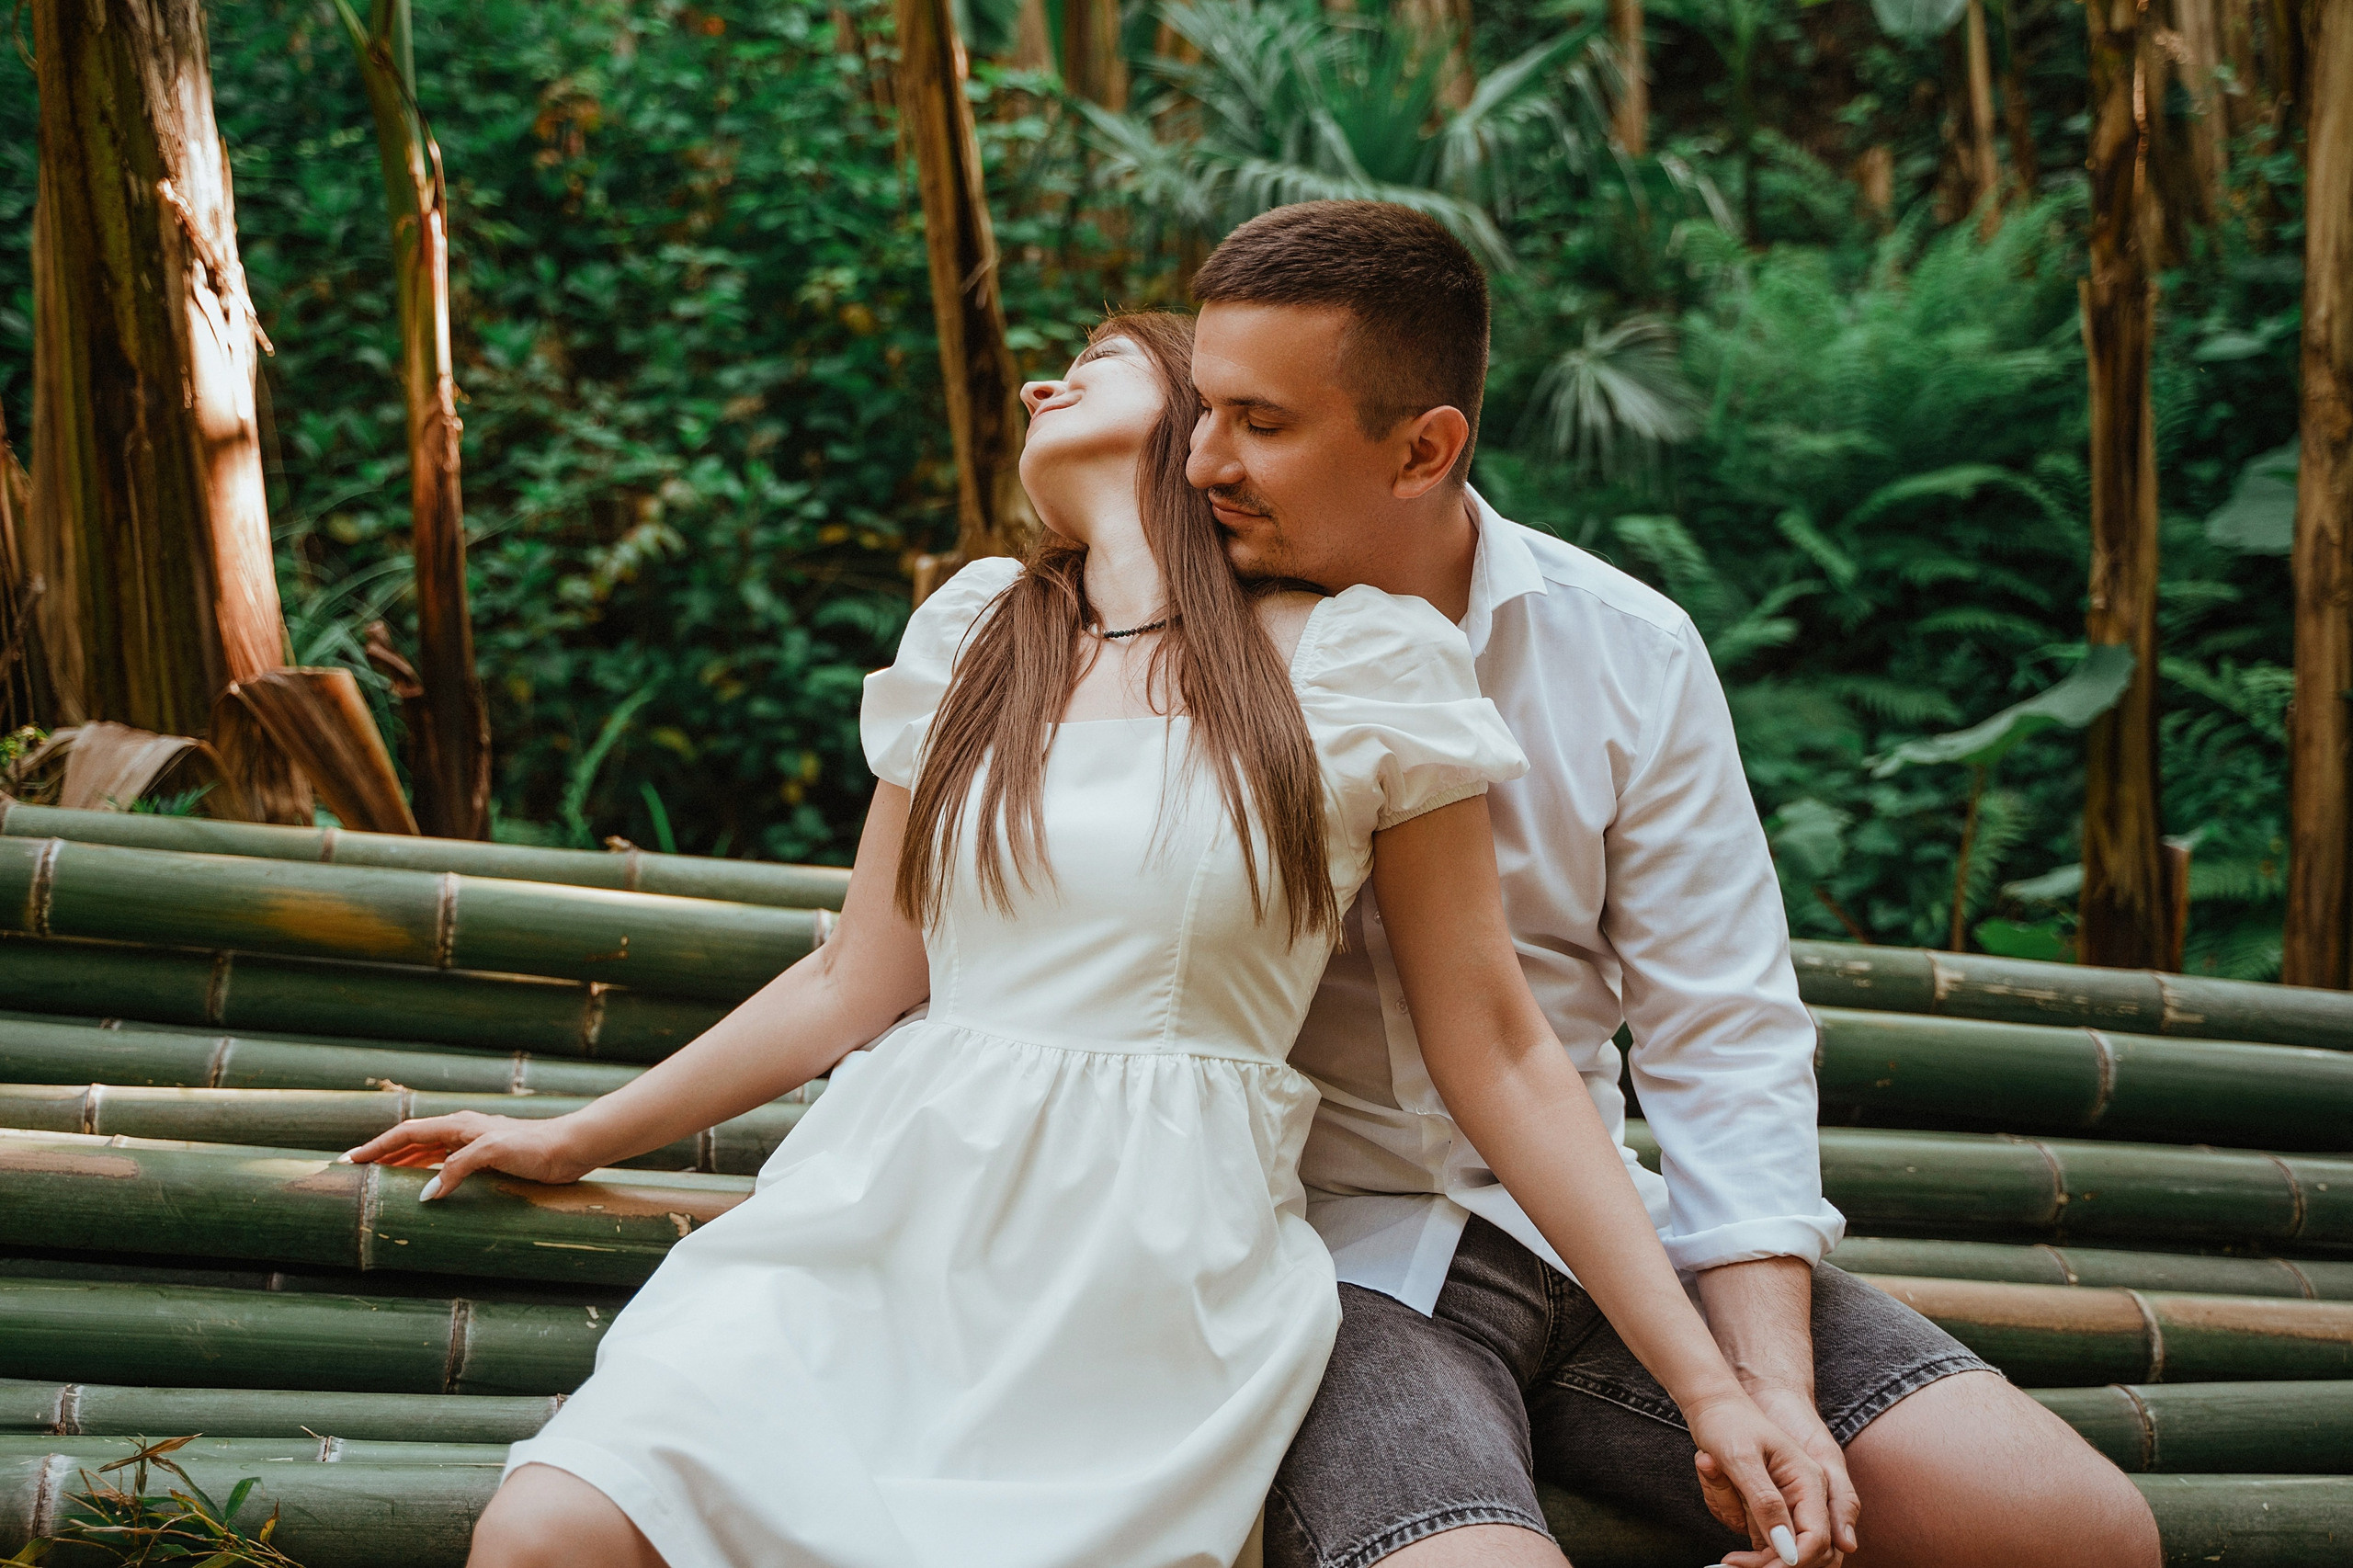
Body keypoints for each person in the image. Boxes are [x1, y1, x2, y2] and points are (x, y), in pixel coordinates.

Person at [345, 311, 1831, 1568]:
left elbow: (1500, 1047)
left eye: (1096, 364)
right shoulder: (977, 631)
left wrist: (1713, 1385)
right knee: (551, 1526)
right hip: (880, 1210)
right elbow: (855, 975)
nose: (1041, 386)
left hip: (1154, 1262)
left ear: (1197, 427)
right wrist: (578, 1132)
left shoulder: (1368, 661)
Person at [1181, 200, 2163, 1568]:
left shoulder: (1627, 647)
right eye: (1201, 408)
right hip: (1328, 1268)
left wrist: (1767, 1385)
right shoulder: (1163, 662)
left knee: (2079, 1532)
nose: (1203, 460)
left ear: (1425, 449)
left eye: (1260, 423)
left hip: (1597, 1238)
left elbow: (1723, 1029)